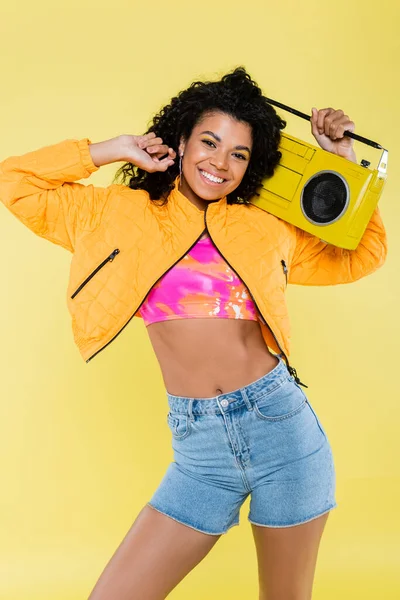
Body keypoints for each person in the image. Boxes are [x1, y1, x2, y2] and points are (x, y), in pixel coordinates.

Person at [0, 67, 387, 600]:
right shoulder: (114, 214)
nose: (220, 163)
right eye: (209, 142)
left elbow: (362, 252)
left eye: (239, 154)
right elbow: (14, 181)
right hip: (200, 451)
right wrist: (113, 148)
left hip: (282, 432)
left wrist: (338, 163)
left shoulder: (263, 223)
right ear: (180, 142)